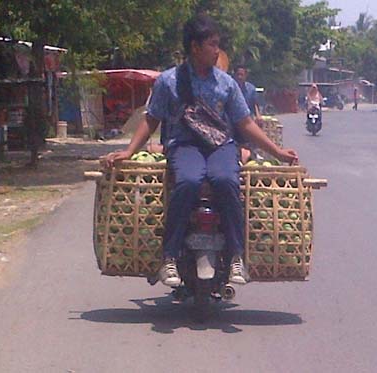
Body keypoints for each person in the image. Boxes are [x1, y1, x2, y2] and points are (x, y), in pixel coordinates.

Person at [106, 15, 298, 287]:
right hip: (184, 147)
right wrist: (127, 152)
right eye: (212, 44)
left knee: (226, 180)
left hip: (221, 146)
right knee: (187, 182)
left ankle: (235, 257)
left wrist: (277, 152)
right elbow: (151, 119)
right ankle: (170, 256)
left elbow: (244, 123)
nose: (217, 50)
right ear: (195, 47)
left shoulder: (226, 83)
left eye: (217, 44)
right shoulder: (169, 81)